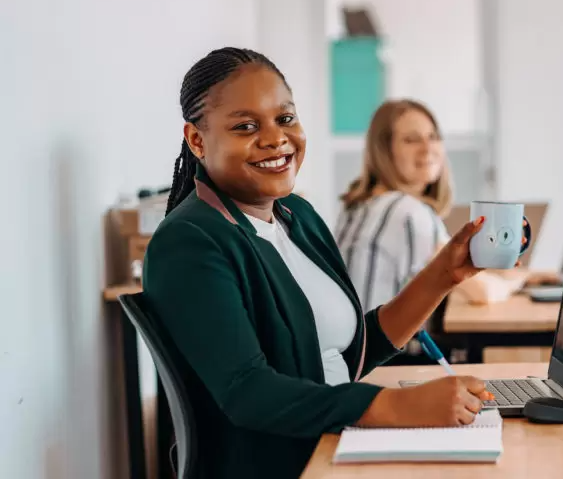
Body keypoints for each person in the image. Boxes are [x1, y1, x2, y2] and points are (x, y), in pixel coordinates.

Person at [142, 48, 513, 479]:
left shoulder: (298, 217)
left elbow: (350, 352)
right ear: (197, 140)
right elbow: (249, 392)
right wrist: (397, 404)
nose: (276, 139)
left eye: (285, 119)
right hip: (286, 463)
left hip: (336, 442)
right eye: (246, 126)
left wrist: (443, 275)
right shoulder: (189, 242)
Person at [336, 100, 530, 348]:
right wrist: (520, 280)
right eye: (411, 140)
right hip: (379, 362)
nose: (428, 148)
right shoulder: (407, 213)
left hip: (349, 357)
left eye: (433, 136)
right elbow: (483, 294)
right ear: (384, 151)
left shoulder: (357, 206)